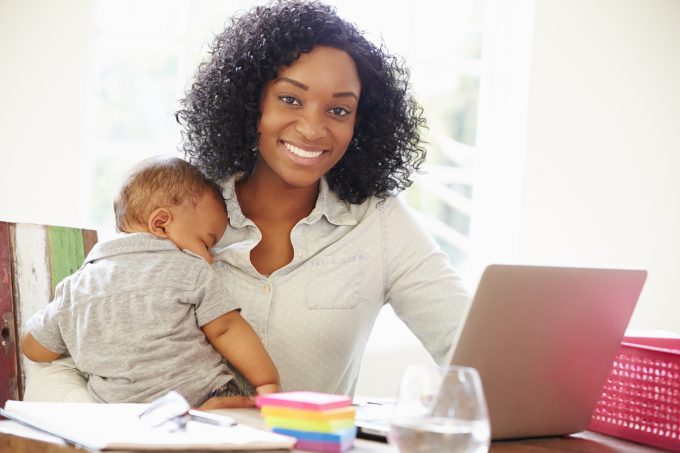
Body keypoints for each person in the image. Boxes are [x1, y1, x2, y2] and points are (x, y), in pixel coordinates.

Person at [24, 0, 469, 406]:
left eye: (339, 110)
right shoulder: (181, 209)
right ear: (249, 102)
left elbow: (465, 343)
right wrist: (121, 434)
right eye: (290, 99)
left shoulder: (381, 222)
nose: (314, 129)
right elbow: (70, 350)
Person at [21, 156, 280, 407]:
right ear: (161, 224)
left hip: (125, 415)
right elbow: (226, 328)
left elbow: (34, 347)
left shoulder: (77, 287)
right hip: (206, 397)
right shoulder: (190, 269)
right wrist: (267, 382)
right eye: (206, 243)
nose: (210, 258)